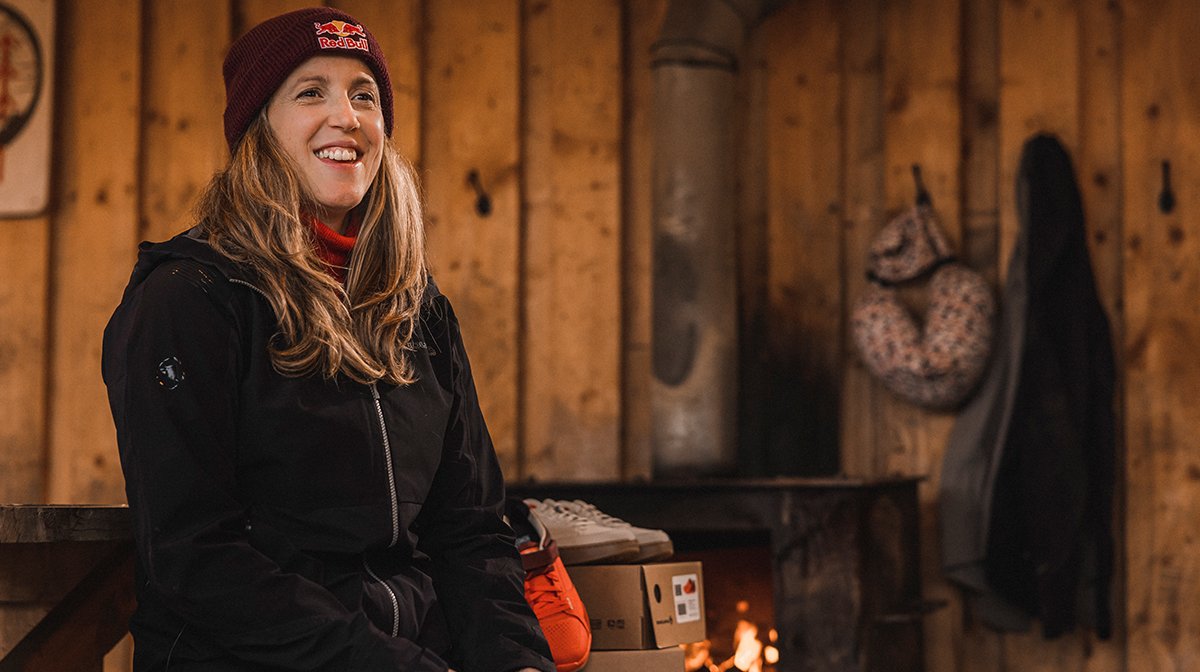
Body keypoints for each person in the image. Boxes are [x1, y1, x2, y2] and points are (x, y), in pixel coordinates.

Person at [102, 8, 553, 672]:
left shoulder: (419, 309)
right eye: (310, 91)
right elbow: (195, 557)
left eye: (363, 95)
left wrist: (518, 662)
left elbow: (473, 534)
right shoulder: (188, 300)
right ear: (257, 129)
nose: (347, 117)